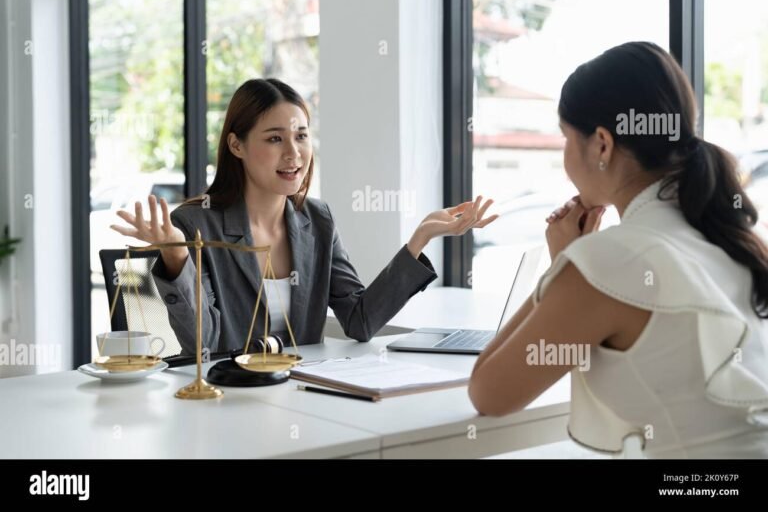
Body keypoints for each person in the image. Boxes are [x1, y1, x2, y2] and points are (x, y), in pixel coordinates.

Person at [468, 42, 768, 458]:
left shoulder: (611, 260)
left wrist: (561, 269)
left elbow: (489, 391)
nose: (565, 156)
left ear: (602, 145)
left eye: (565, 138)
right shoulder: (726, 238)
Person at [111, 79, 497, 355]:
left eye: (301, 136)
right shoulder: (195, 224)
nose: (294, 153)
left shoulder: (317, 219)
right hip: (227, 403)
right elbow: (205, 345)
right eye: (275, 138)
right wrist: (177, 258)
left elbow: (360, 321)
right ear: (236, 145)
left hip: (302, 398)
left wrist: (420, 239)